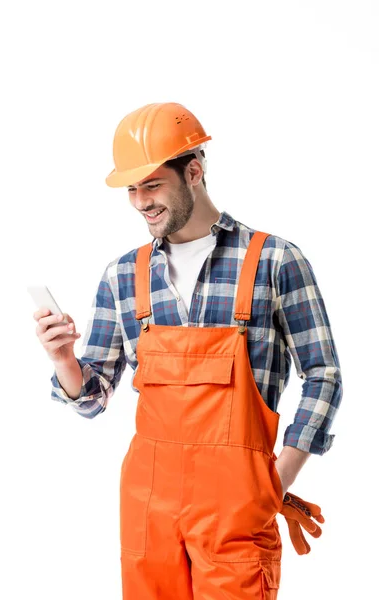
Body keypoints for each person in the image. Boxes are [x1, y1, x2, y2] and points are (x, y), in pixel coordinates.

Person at [33, 102, 343, 599]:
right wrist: (63, 359)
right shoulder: (122, 275)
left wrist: (274, 483)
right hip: (147, 508)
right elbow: (92, 398)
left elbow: (323, 374)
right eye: (132, 189)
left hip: (239, 507)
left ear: (193, 172)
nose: (140, 201)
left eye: (151, 185)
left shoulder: (274, 261)